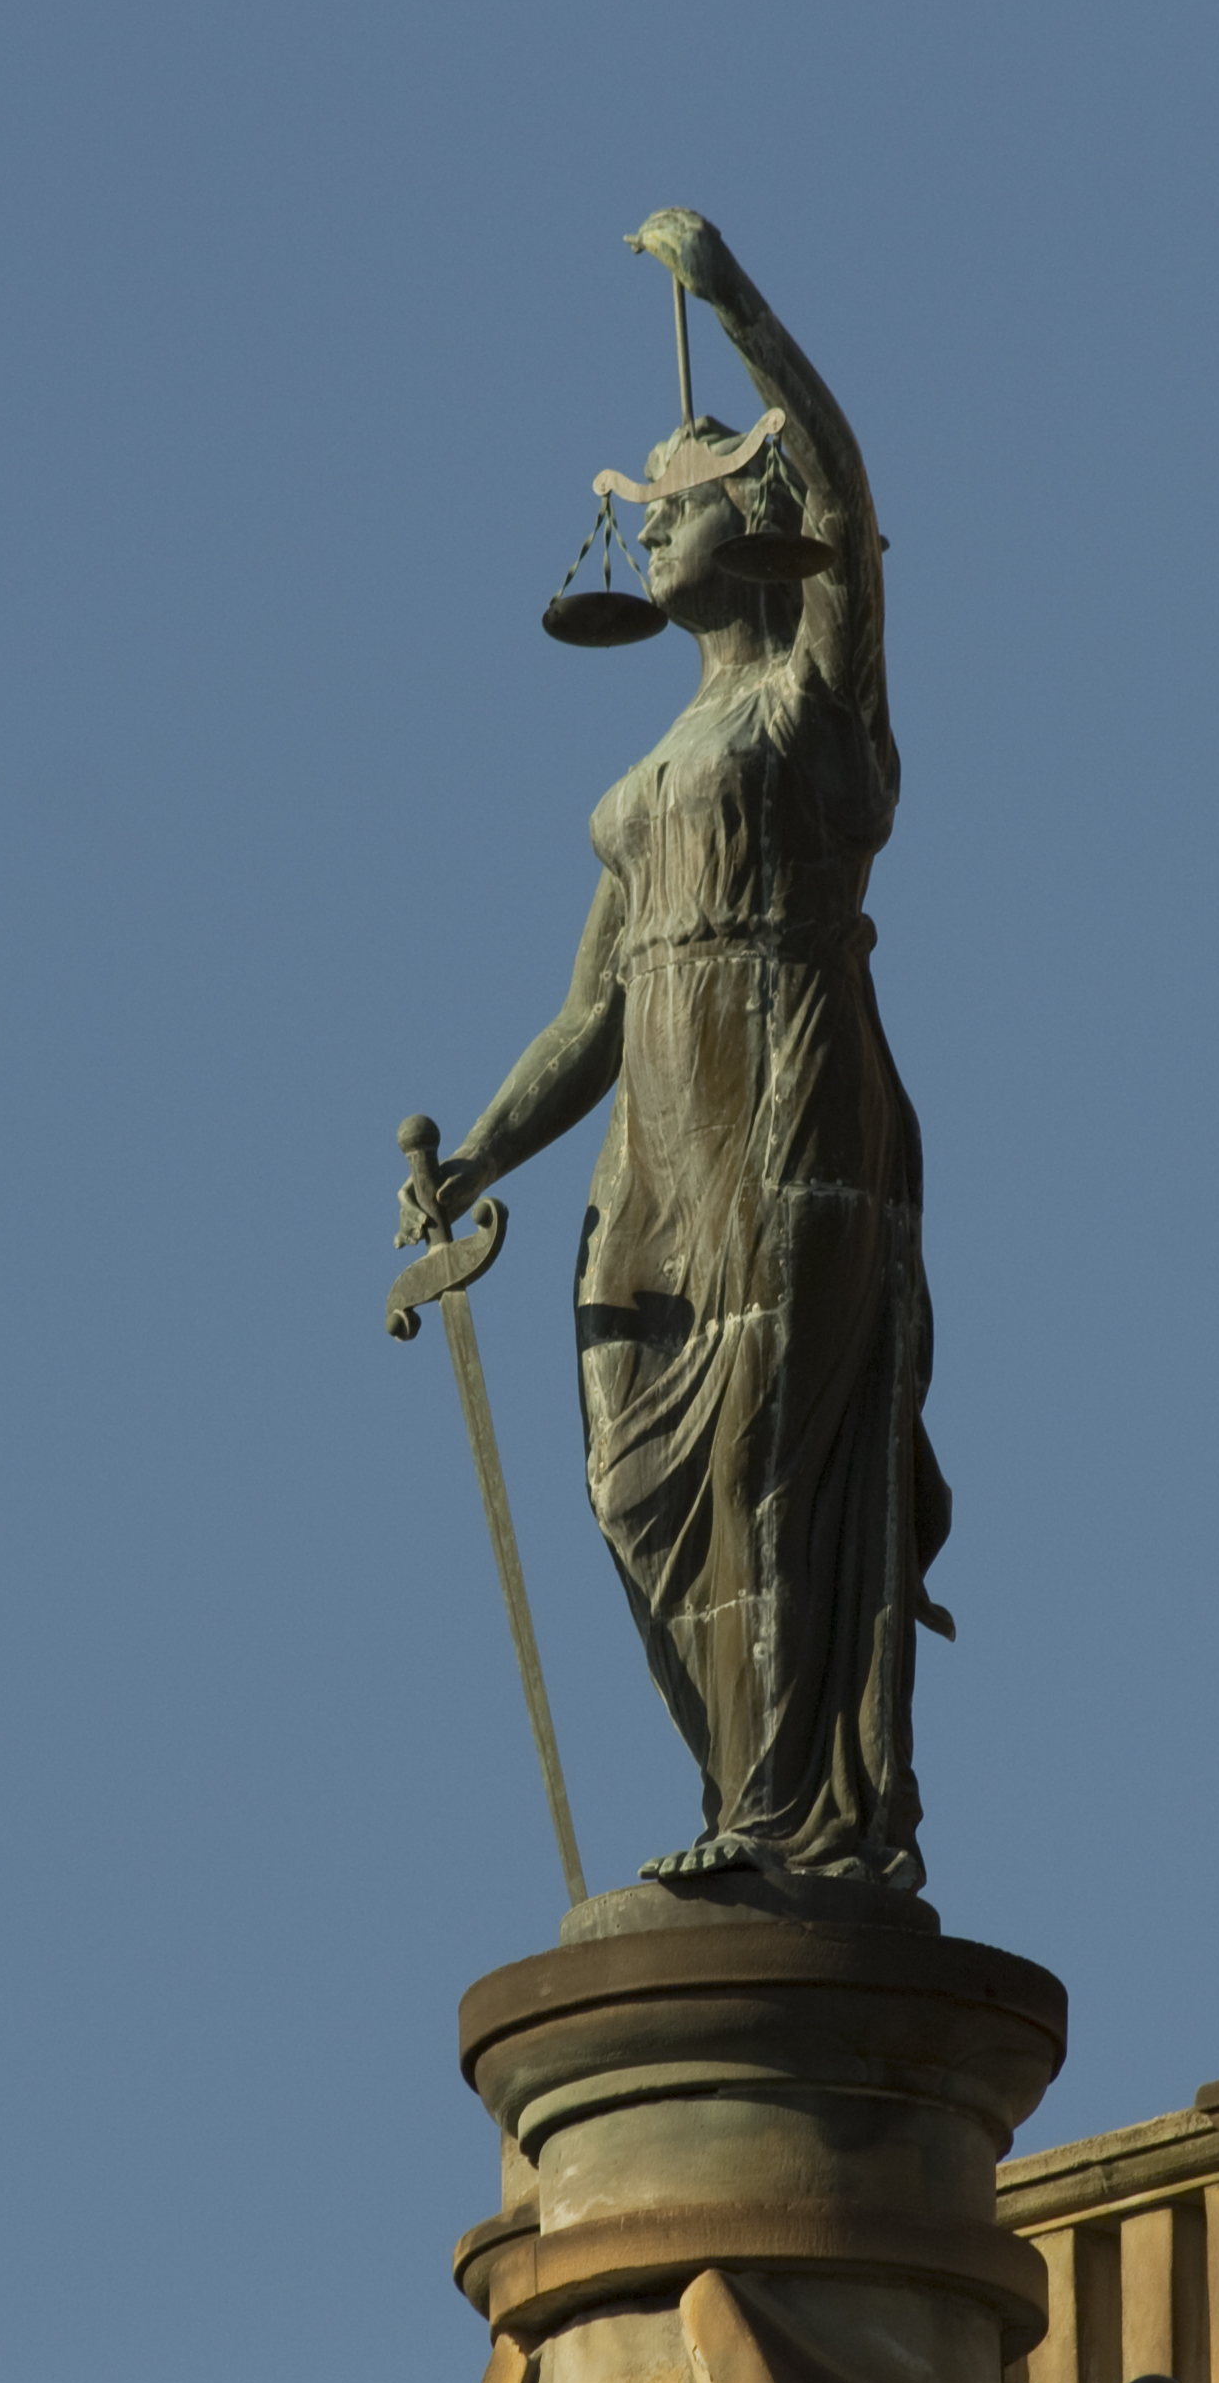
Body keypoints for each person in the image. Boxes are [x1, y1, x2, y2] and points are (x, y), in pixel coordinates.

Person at [401, 208, 947, 1895]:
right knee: (634, 1484)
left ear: (755, 525)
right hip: (658, 1127)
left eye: (681, 497)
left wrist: (749, 311)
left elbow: (856, 518)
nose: (652, 524)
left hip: (790, 1087)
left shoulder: (814, 712)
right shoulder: (645, 789)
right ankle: (739, 1781)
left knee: (765, 1461)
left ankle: (786, 1831)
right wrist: (479, 1156)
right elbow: (590, 1016)